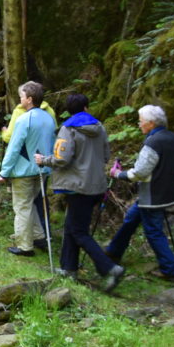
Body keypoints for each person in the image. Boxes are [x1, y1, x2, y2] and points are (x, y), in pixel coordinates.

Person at [34, 93, 124, 290]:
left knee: (78, 230)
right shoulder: (99, 127)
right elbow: (106, 154)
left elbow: (61, 158)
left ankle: (110, 268)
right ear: (86, 108)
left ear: (69, 110)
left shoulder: (68, 129)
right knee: (71, 226)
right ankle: (69, 268)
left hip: (77, 186)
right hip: (96, 186)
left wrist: (44, 160)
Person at [105, 104, 174, 283]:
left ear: (151, 123)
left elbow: (140, 172)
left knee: (153, 232)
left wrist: (118, 174)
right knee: (131, 220)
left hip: (152, 196)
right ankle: (113, 252)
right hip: (164, 193)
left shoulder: (153, 142)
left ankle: (170, 270)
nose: (139, 124)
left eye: (141, 121)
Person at [0, 81, 56, 257]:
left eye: (22, 96)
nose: (20, 99)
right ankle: (38, 235)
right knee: (30, 204)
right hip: (42, 169)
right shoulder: (49, 118)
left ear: (29, 99)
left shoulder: (25, 119)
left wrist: (4, 172)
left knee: (22, 207)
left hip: (23, 171)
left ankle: (24, 246)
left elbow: (14, 147)